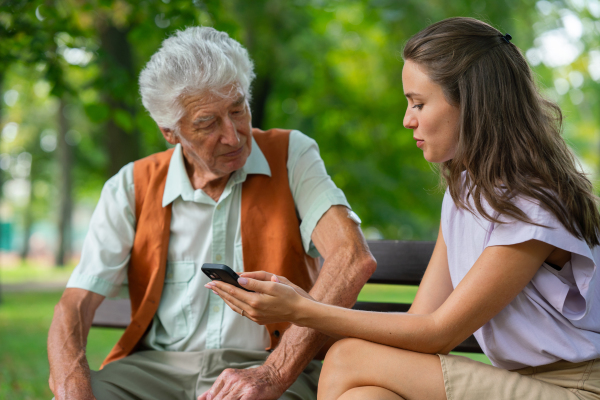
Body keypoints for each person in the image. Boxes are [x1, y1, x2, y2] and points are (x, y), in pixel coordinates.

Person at [209, 17, 600, 400]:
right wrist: (301, 308)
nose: (406, 119)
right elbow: (418, 323)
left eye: (418, 103)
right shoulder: (464, 194)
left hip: (576, 388)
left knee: (347, 358)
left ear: (472, 103)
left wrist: (302, 309)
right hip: (518, 384)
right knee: (365, 394)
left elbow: (439, 333)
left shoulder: (532, 203)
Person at [47, 27, 377, 400]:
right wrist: (71, 383)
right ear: (170, 132)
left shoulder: (291, 155)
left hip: (271, 363)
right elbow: (75, 303)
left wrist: (272, 374)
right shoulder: (131, 186)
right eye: (207, 123)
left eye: (238, 110)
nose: (234, 136)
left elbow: (352, 257)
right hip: (156, 370)